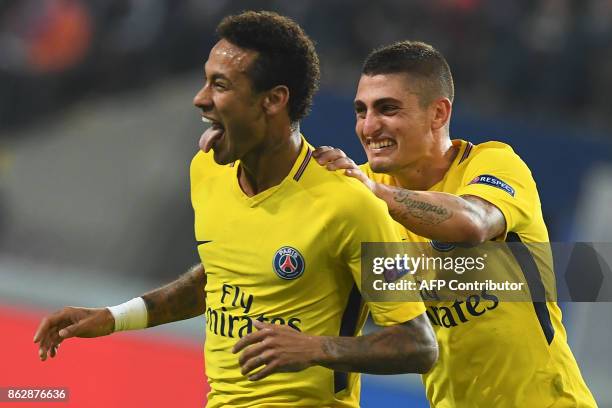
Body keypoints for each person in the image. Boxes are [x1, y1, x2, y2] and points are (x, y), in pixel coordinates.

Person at [33, 12, 437, 408]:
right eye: (205, 81)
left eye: (220, 85)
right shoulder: (207, 171)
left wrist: (317, 348)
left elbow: (417, 343)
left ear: (274, 100)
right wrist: (115, 317)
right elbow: (220, 277)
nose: (200, 98)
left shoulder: (350, 204)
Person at [313, 41, 597, 407]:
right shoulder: (360, 193)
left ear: (437, 113)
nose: (369, 126)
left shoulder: (494, 164)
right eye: (361, 110)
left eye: (388, 109)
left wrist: (370, 193)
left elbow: (471, 223)